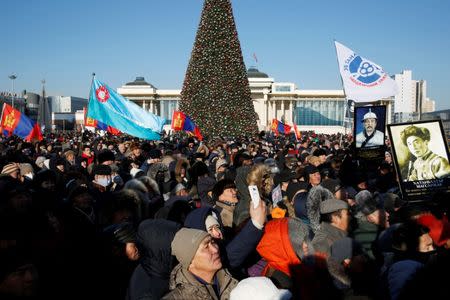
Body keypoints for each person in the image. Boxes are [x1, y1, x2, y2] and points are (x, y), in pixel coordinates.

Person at [162, 228, 238, 300]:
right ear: (190, 262)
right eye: (206, 247)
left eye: (212, 242)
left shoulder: (232, 277)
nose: (215, 250)